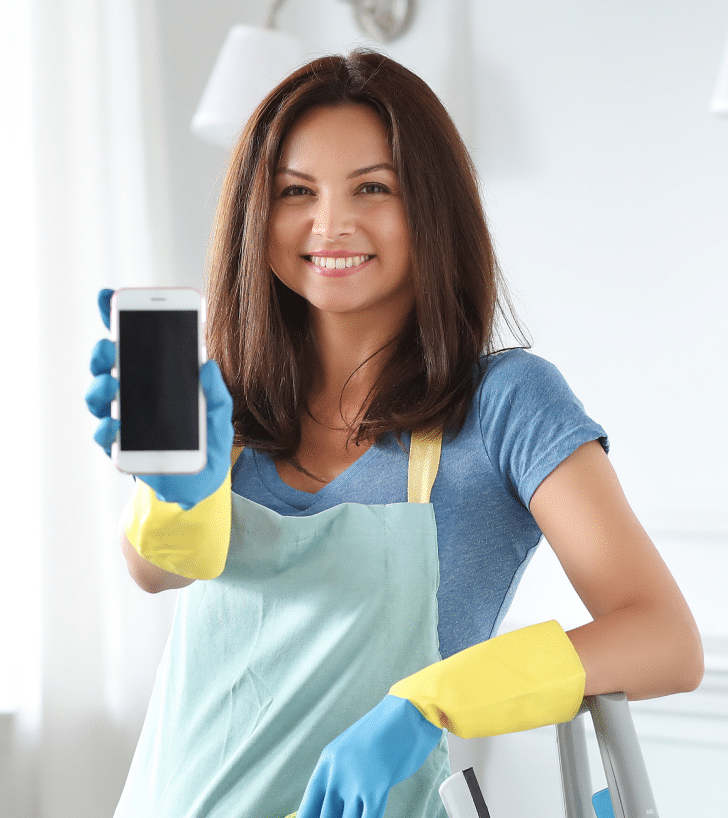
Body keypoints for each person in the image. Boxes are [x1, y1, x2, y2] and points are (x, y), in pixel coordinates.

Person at [85, 50, 703, 818]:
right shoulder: (227, 407)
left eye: (373, 187)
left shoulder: (505, 405)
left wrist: (426, 705)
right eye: (295, 192)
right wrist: (180, 493)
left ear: (432, 208)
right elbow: (158, 572)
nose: (332, 223)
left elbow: (665, 640)